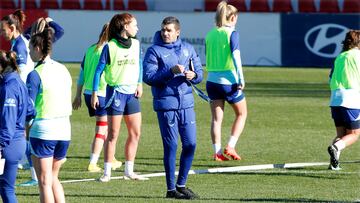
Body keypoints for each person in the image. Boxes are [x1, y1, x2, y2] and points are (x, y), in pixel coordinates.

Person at [143, 16, 203, 199]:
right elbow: (148, 77)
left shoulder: (188, 48)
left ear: (178, 32)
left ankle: (181, 184)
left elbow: (200, 73)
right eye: (163, 29)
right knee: (171, 146)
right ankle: (170, 190)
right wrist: (170, 72)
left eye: (169, 30)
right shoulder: (154, 51)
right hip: (166, 105)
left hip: (186, 104)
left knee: (191, 144)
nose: (165, 33)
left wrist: (194, 75)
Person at [91, 13, 145, 181]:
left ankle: (129, 171)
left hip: (132, 95)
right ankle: (107, 172)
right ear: (125, 27)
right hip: (116, 94)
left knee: (135, 133)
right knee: (113, 134)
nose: (137, 28)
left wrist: (139, 83)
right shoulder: (110, 47)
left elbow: (139, 64)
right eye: (134, 25)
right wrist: (94, 93)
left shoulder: (136, 44)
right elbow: (98, 71)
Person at [27, 24, 72, 202]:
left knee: (44, 181)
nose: (29, 53)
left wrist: (25, 128)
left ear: (38, 48)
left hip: (44, 129)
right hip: (64, 130)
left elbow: (29, 107)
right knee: (53, 178)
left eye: (31, 49)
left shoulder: (35, 74)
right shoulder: (63, 68)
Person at [18, 16, 65, 187]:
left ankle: (33, 172)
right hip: (32, 80)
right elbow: (25, 33)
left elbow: (59, 30)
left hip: (38, 81)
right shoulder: (29, 38)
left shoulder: (43, 43)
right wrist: (39, 24)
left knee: (28, 129)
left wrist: (49, 21)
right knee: (27, 133)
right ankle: (31, 169)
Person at [72, 23, 122, 173]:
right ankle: (93, 163)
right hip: (101, 93)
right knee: (101, 129)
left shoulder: (90, 49)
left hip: (88, 93)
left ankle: (110, 158)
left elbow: (81, 74)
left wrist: (77, 95)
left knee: (104, 127)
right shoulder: (110, 50)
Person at [205, 1, 247, 161]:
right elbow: (236, 56)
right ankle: (230, 146)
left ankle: (217, 152)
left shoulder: (210, 33)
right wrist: (241, 79)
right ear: (233, 17)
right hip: (229, 80)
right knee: (242, 113)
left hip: (212, 81)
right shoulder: (232, 33)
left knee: (216, 119)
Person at [0, 50, 34, 203]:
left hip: (7, 145)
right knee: (6, 190)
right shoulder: (18, 82)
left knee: (7, 191)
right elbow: (31, 110)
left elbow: (7, 123)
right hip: (16, 142)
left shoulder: (9, 87)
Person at [327, 30, 360, 170]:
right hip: (351, 98)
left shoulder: (340, 57)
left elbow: (330, 77)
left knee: (341, 134)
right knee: (354, 134)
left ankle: (333, 165)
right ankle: (335, 147)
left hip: (335, 98)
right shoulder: (358, 56)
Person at [0, 10, 34, 83]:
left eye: (3, 30)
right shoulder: (16, 42)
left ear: (12, 28)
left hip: (22, 88)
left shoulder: (19, 46)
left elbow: (22, 73)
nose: (1, 34)